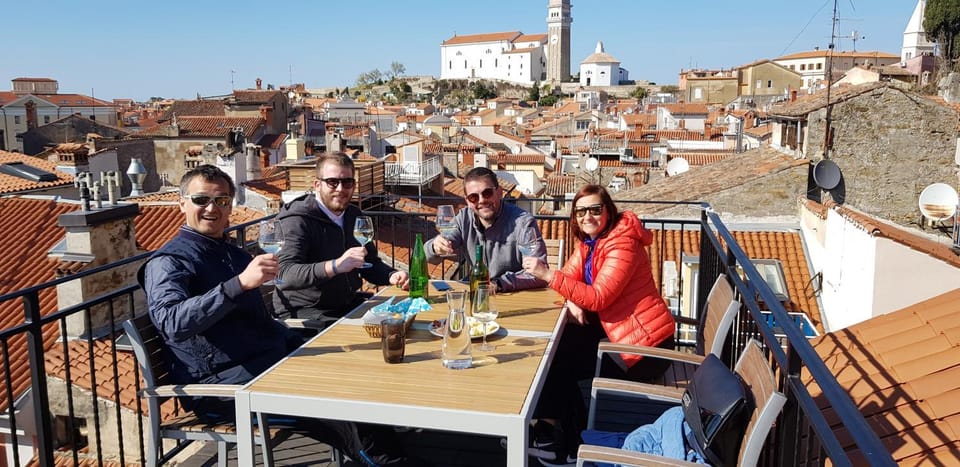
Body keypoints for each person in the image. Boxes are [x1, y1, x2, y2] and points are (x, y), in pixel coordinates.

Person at [139, 164, 412, 466]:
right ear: (182, 203)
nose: (212, 209)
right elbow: (172, 323)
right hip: (225, 391)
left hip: (267, 365)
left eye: (222, 200)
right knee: (339, 408)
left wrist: (298, 346)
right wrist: (239, 284)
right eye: (201, 200)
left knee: (357, 381)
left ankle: (390, 456)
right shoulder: (168, 262)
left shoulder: (230, 252)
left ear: (231, 204)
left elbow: (259, 319)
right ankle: (387, 461)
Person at [521, 184, 677, 466]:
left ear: (609, 211)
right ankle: (560, 433)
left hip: (644, 350)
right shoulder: (591, 243)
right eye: (581, 211)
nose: (587, 216)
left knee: (556, 363)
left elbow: (599, 298)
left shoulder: (623, 243)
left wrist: (547, 274)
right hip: (618, 334)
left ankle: (568, 443)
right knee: (554, 351)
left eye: (595, 209)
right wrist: (571, 300)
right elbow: (570, 277)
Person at [274, 152, 409, 324]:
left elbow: (370, 263)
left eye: (347, 182)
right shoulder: (297, 220)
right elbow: (284, 275)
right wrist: (335, 266)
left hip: (347, 304)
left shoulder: (353, 215)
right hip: (307, 314)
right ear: (317, 185)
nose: (340, 189)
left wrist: (391, 275)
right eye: (332, 182)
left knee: (408, 320)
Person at [424, 166, 547, 292]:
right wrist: (435, 246)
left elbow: (539, 273)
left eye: (487, 193)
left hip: (515, 295)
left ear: (499, 192)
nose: (482, 200)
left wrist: (500, 284)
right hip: (479, 295)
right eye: (473, 197)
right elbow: (428, 253)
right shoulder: (463, 219)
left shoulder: (523, 223)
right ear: (467, 201)